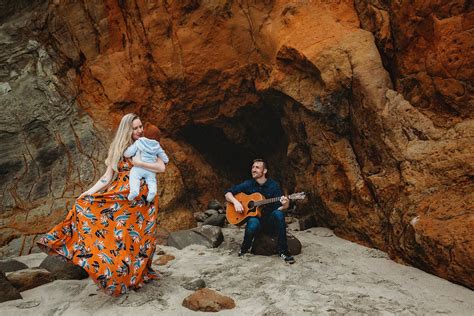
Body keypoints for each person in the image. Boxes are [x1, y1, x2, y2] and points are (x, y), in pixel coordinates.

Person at [37, 113, 166, 296]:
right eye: (135, 128)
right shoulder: (118, 149)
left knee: (142, 240)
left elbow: (161, 167)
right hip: (121, 198)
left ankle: (139, 276)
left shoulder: (147, 144)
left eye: (140, 127)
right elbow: (107, 177)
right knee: (121, 239)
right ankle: (116, 278)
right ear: (126, 130)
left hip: (144, 201)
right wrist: (89, 192)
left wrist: (139, 162)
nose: (138, 131)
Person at [224, 159, 296, 264]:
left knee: (279, 214)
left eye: (257, 167)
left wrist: (285, 205)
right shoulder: (248, 184)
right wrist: (236, 202)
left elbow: (280, 208)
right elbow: (227, 193)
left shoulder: (273, 186)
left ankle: (283, 251)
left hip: (269, 222)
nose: (254, 169)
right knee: (253, 222)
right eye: (253, 167)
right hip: (256, 222)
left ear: (265, 171)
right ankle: (244, 249)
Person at [124, 122, 169, 203]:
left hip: (138, 168)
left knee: (134, 176)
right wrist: (165, 160)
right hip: (150, 171)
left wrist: (125, 154)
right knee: (152, 181)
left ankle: (134, 191)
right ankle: (152, 193)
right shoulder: (157, 147)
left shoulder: (139, 142)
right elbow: (165, 158)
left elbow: (129, 152)